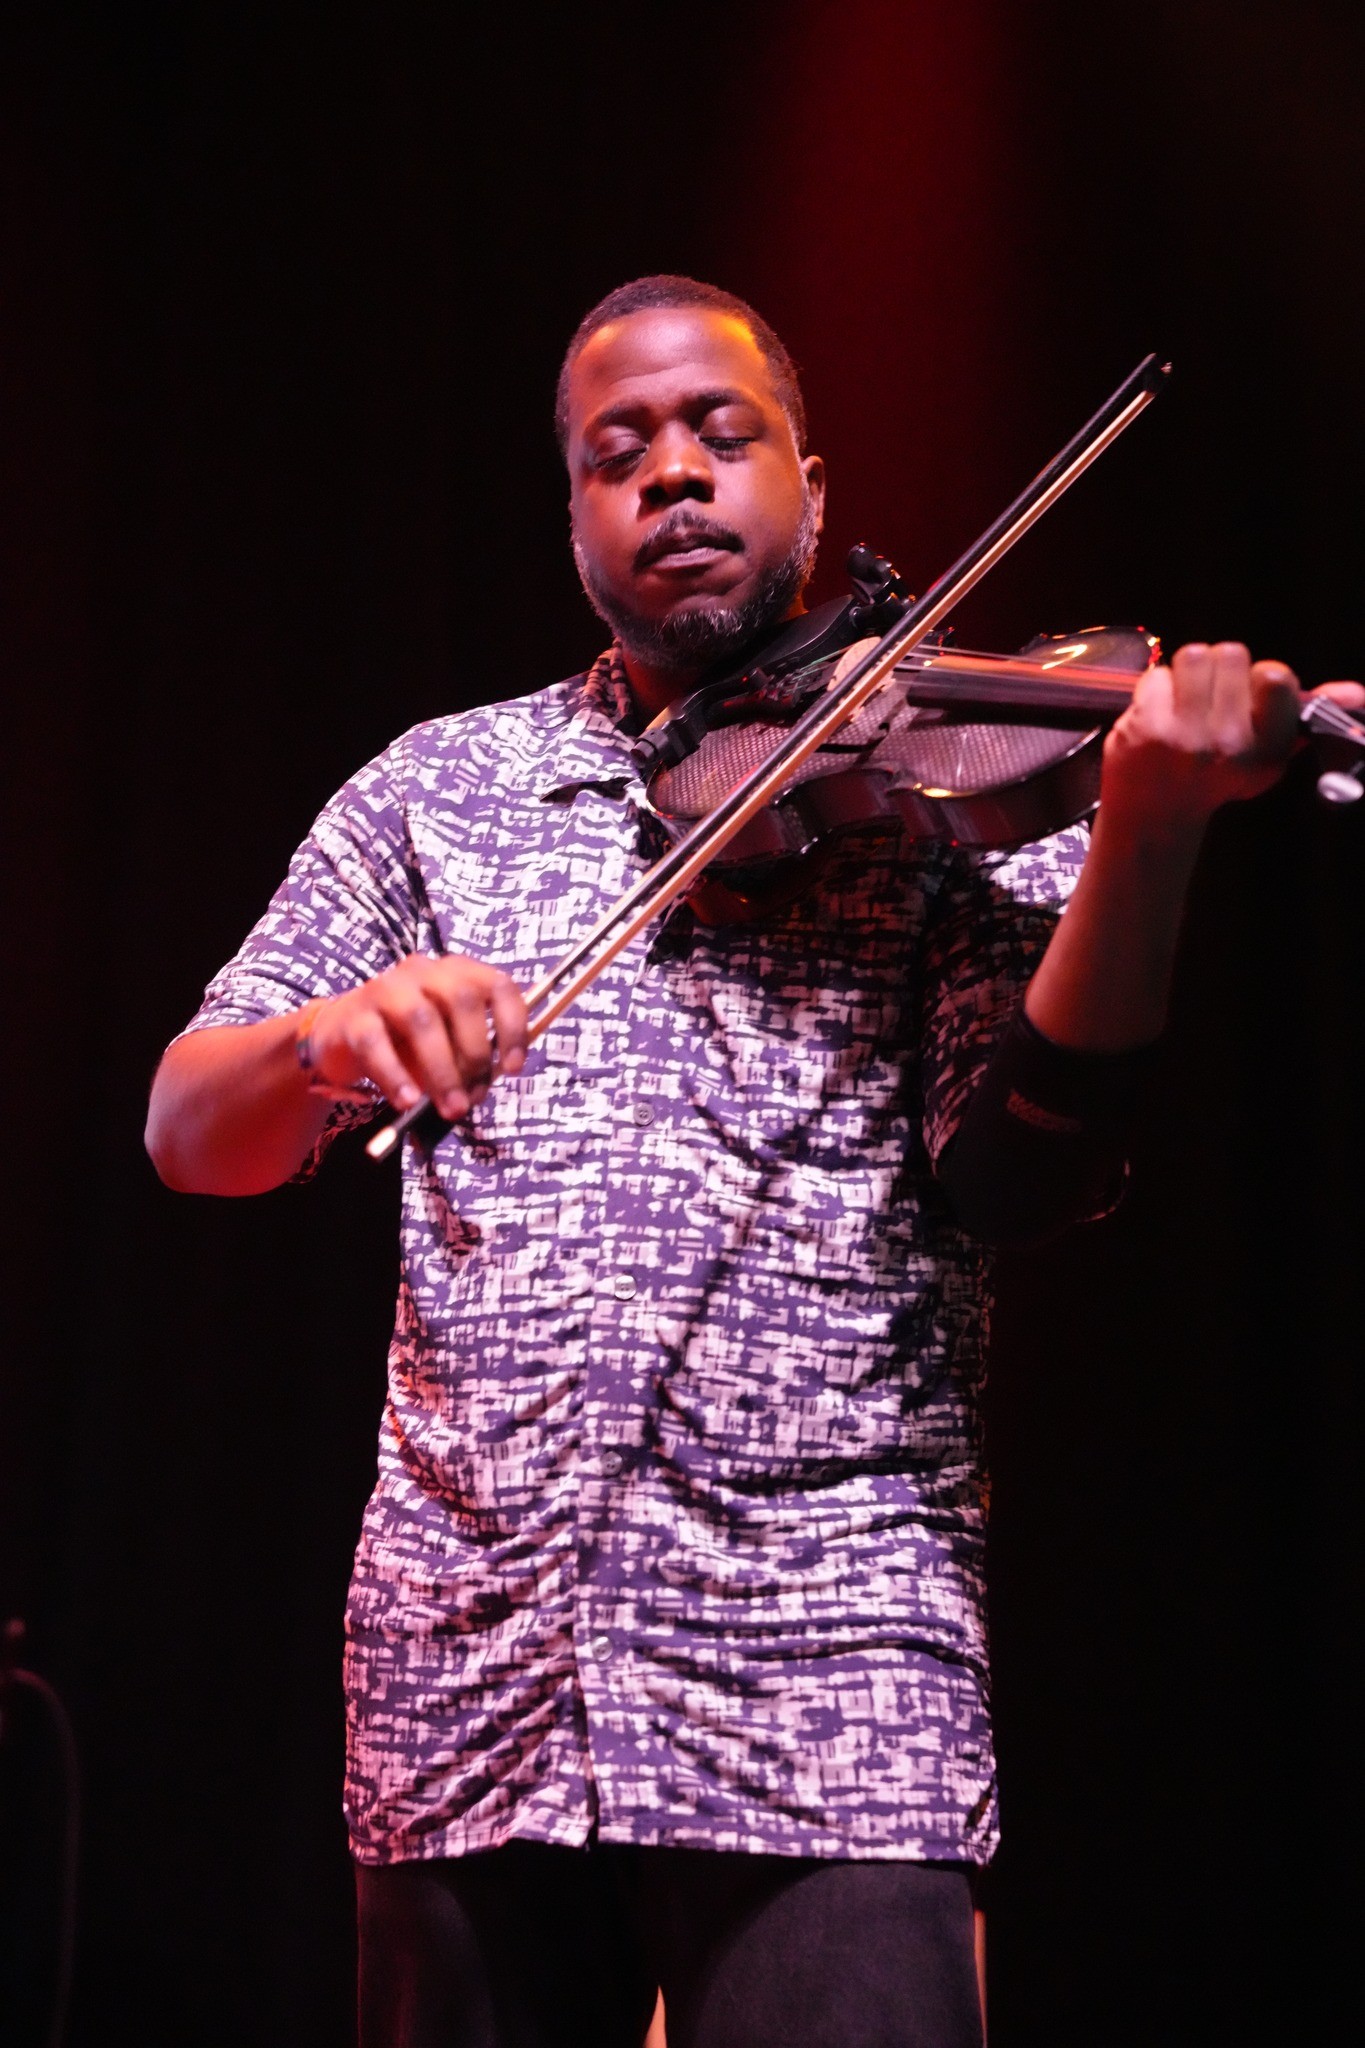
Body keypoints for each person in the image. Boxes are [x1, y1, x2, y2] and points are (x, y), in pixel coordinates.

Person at [145, 276, 1361, 2048]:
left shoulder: (951, 766)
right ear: (574, 516)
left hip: (828, 1669)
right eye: (616, 451)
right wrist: (327, 1036)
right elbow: (190, 1135)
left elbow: (1023, 1171)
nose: (673, 474)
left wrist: (1149, 830)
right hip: (467, 1673)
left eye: (722, 433)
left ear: (808, 477)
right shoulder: (434, 790)